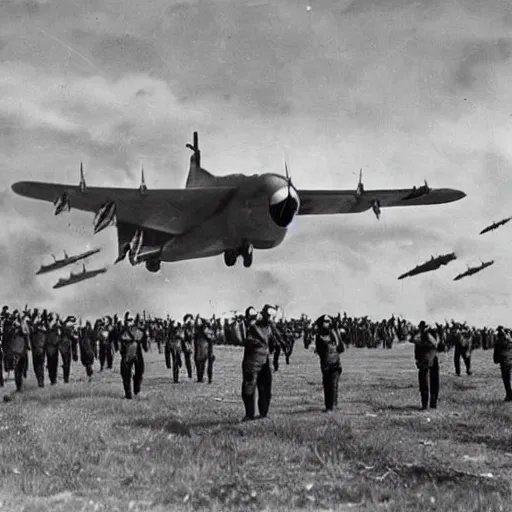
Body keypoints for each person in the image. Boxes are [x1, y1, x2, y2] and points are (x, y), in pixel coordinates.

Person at [241, 305, 281, 421]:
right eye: (269, 316)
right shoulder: (250, 326)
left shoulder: (267, 327)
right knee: (250, 388)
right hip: (252, 361)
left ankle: (261, 414)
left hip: (263, 361)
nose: (270, 319)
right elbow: (243, 338)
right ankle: (250, 415)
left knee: (264, 388)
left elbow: (274, 343)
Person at [314, 315, 345, 412]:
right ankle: (330, 406)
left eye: (328, 321)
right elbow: (340, 348)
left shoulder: (331, 334)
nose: (327, 323)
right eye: (325, 321)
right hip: (328, 363)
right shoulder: (331, 334)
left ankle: (331, 406)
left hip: (332, 363)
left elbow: (341, 348)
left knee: (332, 384)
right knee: (328, 384)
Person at [412, 320, 441, 410]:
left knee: (426, 383)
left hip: (426, 360)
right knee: (431, 383)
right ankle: (430, 404)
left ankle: (429, 404)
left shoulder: (424, 336)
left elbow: (435, 344)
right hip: (428, 360)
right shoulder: (429, 335)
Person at [493, 326, 512, 402]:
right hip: (510, 360)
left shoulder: (498, 343)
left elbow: (496, 354)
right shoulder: (510, 341)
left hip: (504, 362)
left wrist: (496, 360)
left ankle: (509, 395)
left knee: (506, 380)